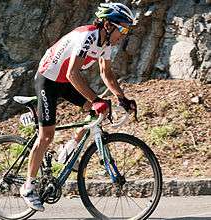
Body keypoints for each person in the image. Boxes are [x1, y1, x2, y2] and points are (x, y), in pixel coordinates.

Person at [20, 2, 137, 212]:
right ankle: (28, 186)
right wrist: (96, 100)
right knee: (46, 135)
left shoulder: (106, 43)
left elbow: (106, 74)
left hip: (65, 81)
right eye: (124, 29)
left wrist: (122, 98)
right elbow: (73, 73)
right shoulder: (88, 36)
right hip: (48, 79)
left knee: (98, 112)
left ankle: (68, 149)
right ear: (109, 25)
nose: (124, 34)